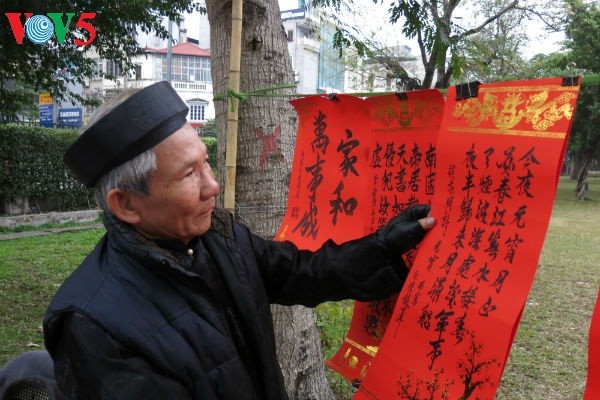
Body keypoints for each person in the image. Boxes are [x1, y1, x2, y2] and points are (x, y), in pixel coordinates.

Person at [43, 81, 436, 400]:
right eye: (187, 175)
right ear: (126, 204)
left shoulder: (217, 238)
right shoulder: (95, 324)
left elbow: (302, 272)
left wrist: (383, 248)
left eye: (206, 162)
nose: (213, 186)